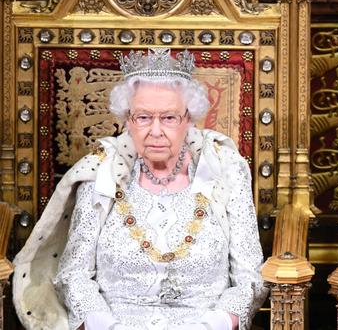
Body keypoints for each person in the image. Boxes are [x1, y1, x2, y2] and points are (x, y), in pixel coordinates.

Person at [13, 48, 268, 330]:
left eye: (169, 118)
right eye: (143, 117)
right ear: (127, 120)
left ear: (189, 119)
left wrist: (213, 325)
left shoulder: (225, 171)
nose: (155, 131)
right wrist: (107, 327)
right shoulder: (101, 174)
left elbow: (251, 280)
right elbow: (73, 274)